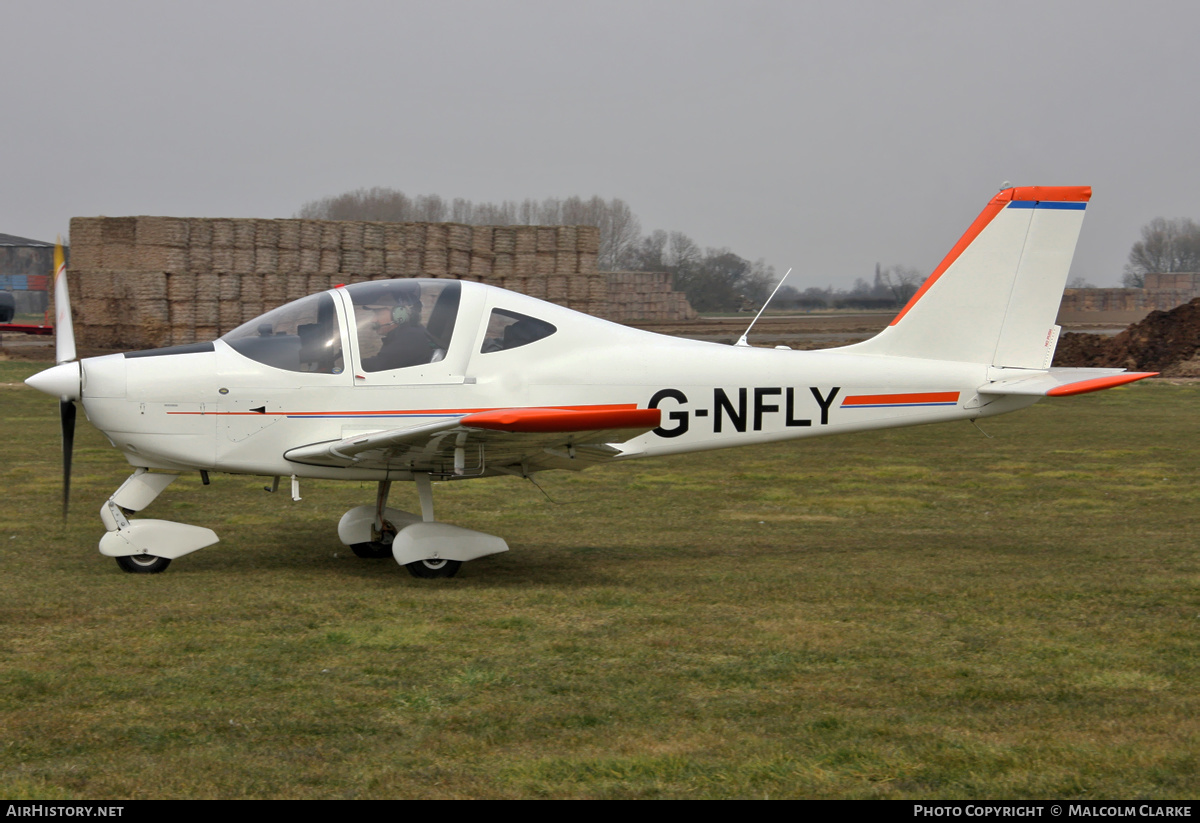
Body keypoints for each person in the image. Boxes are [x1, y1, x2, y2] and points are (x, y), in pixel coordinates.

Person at [361, 286, 433, 371]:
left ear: (399, 314)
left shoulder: (409, 338)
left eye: (377, 314)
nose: (373, 320)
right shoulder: (407, 332)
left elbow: (379, 366)